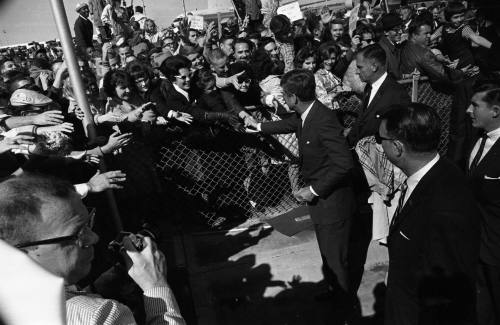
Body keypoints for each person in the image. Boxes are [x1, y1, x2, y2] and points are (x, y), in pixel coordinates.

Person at [0, 174, 186, 325]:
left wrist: (115, 275)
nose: (94, 237)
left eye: (88, 222)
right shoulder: (99, 316)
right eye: (77, 233)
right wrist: (156, 286)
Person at [245, 69, 356, 316]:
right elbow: (289, 123)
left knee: (336, 258)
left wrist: (314, 190)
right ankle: (333, 291)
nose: (284, 99)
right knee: (328, 253)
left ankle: (345, 312)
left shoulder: (323, 120)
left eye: (285, 95)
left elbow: (343, 164)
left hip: (332, 203)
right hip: (321, 202)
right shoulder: (307, 114)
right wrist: (259, 125)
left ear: (293, 97)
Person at [379, 103, 480, 325]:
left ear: (397, 147)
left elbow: (446, 291)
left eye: (381, 140)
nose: (379, 146)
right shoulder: (435, 174)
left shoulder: (445, 203)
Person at [465, 83, 500, 325]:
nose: (468, 110)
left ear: (495, 111)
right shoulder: (476, 138)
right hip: (476, 245)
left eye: (475, 105)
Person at [346, 44, 410, 148]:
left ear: (374, 66)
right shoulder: (369, 87)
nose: (357, 72)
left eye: (360, 67)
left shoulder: (396, 94)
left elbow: (400, 133)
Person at [378, 13, 403, 80]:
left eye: (401, 28)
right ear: (386, 32)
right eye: (396, 30)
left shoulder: (393, 46)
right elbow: (394, 75)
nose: (400, 31)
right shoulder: (383, 50)